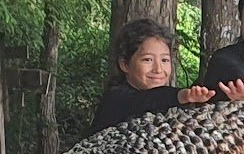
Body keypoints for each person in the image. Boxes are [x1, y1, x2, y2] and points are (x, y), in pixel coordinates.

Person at [86, 19, 214, 136]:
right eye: (147, 60)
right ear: (124, 64)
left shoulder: (168, 103)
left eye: (165, 60)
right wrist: (181, 95)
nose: (158, 69)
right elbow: (146, 100)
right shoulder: (116, 97)